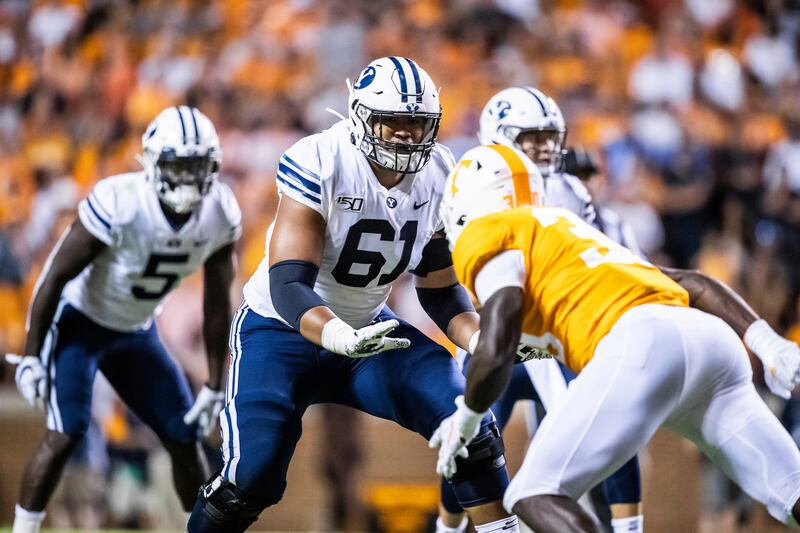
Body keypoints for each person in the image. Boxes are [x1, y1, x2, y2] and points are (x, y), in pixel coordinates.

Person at [186, 57, 519, 533]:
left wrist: (487, 340)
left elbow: (442, 294)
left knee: (469, 428)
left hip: (368, 333)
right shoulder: (321, 159)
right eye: (394, 121)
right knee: (250, 478)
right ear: (362, 117)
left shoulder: (440, 173)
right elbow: (287, 284)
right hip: (279, 333)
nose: (407, 134)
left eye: (417, 122)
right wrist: (336, 334)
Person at [431, 143, 800, 532]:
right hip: (712, 344)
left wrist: (469, 419)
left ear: (462, 206)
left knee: (534, 492)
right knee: (791, 491)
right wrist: (766, 341)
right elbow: (691, 282)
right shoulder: (569, 231)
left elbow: (500, 334)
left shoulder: (487, 231)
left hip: (641, 345)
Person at [5, 106, 241, 533]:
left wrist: (213, 384)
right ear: (152, 163)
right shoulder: (121, 201)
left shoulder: (219, 212)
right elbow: (55, 275)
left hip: (136, 331)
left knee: (184, 436)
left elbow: (216, 300)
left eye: (197, 166)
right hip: (80, 323)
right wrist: (32, 356)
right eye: (178, 166)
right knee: (66, 432)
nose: (188, 178)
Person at [435, 88, 643, 533]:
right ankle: (447, 528)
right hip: (496, 333)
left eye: (550, 136)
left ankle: (629, 529)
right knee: (472, 439)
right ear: (499, 135)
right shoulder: (470, 178)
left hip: (555, 338)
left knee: (609, 420)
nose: (545, 147)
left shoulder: (568, 190)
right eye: (531, 137)